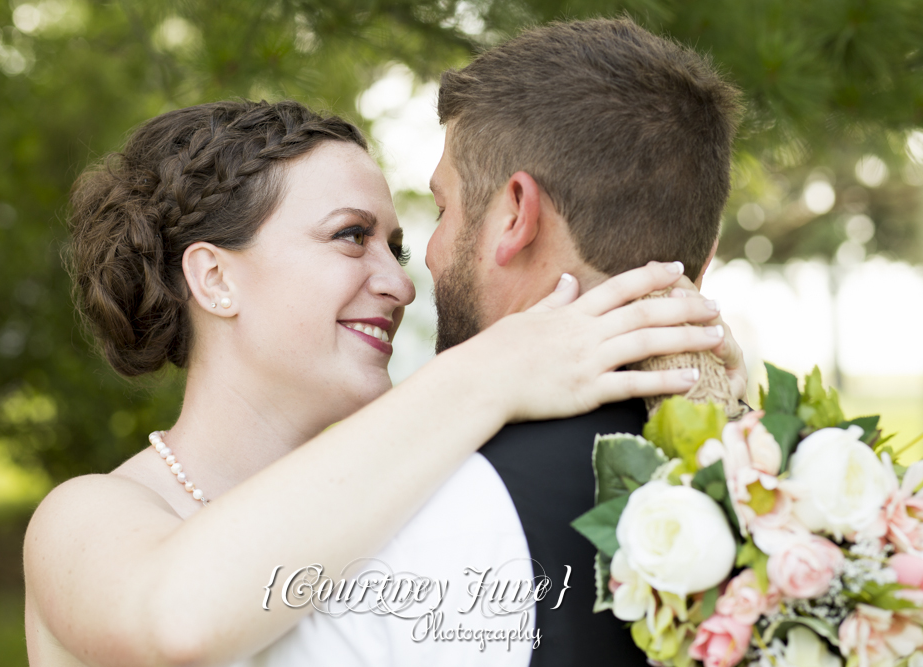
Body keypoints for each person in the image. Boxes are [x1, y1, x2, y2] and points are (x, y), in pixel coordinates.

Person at [23, 99, 737, 666]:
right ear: (215, 277)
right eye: (349, 235)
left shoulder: (426, 507)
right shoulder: (86, 517)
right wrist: (495, 369)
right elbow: (178, 621)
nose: (399, 282)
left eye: (395, 245)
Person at [251, 17, 743, 667]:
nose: (416, 261)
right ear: (704, 256)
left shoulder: (415, 523)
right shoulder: (798, 496)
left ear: (515, 214)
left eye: (443, 209)